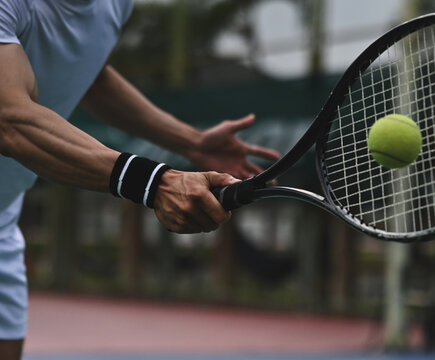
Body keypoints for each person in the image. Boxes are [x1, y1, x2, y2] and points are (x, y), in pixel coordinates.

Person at [0, 1, 279, 358]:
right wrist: (155, 182)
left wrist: (191, 142)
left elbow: (91, 75)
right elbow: (11, 121)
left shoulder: (114, 5)